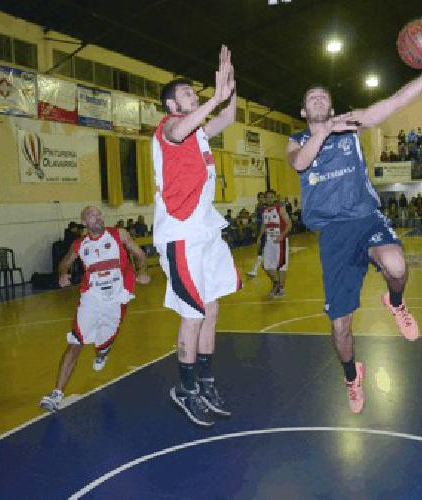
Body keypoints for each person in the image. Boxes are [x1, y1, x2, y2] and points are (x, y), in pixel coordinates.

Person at [287, 32, 422, 414]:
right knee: (340, 326)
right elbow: (300, 163)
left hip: (365, 217)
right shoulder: (296, 140)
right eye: (312, 99)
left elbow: (392, 103)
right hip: (334, 235)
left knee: (396, 264)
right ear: (304, 112)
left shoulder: (350, 125)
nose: (319, 100)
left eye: (324, 96)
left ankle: (395, 302)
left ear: (332, 106)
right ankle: (350, 376)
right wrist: (320, 133)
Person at [152, 45, 241, 427]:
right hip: (181, 232)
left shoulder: (200, 134)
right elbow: (181, 127)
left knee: (212, 309)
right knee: (192, 314)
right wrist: (216, 97)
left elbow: (231, 116)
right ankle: (185, 390)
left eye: (196, 93)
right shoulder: (168, 128)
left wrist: (230, 85)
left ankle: (205, 382)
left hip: (206, 230)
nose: (196, 96)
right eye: (188, 94)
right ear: (172, 105)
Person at [39, 206, 151, 412]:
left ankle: (102, 350)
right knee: (76, 342)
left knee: (105, 338)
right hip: (91, 298)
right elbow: (64, 262)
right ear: (84, 222)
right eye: (92, 215)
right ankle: (56, 394)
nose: (98, 217)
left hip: (116, 298)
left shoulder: (119, 234)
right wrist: (63, 273)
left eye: (99, 214)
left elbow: (140, 255)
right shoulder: (80, 244)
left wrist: (142, 271)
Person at [258, 189, 293, 298]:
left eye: (271, 197)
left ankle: (280, 288)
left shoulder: (280, 208)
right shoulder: (264, 210)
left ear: (275, 197)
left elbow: (289, 224)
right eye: (267, 197)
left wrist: (282, 236)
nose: (269, 199)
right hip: (269, 239)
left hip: (280, 239)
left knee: (281, 266)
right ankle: (277, 283)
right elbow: (264, 225)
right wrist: (259, 237)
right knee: (266, 265)